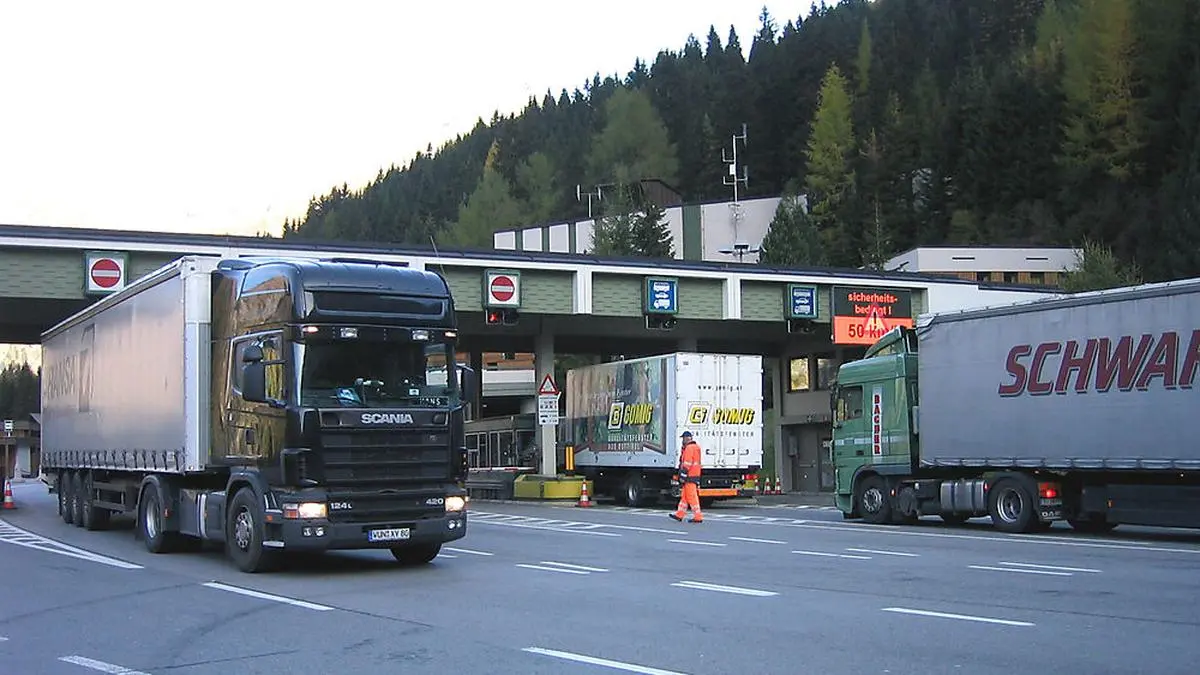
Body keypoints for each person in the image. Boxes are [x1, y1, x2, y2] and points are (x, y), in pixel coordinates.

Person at [669, 431, 703, 523]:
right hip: (695, 474)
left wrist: (682, 476)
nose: (682, 441)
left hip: (689, 476)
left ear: (686, 438)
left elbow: (687, 463)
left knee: (692, 497)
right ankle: (679, 514)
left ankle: (698, 516)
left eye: (683, 438)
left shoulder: (689, 448)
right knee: (685, 497)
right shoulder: (696, 447)